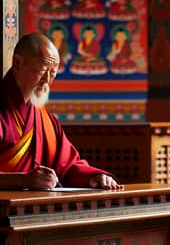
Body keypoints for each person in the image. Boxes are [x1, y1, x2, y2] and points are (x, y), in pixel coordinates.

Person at [0, 32, 124, 191]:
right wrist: (22, 180)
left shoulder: (45, 120)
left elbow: (67, 165)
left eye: (53, 73)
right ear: (18, 63)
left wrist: (94, 176)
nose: (47, 80)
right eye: (42, 70)